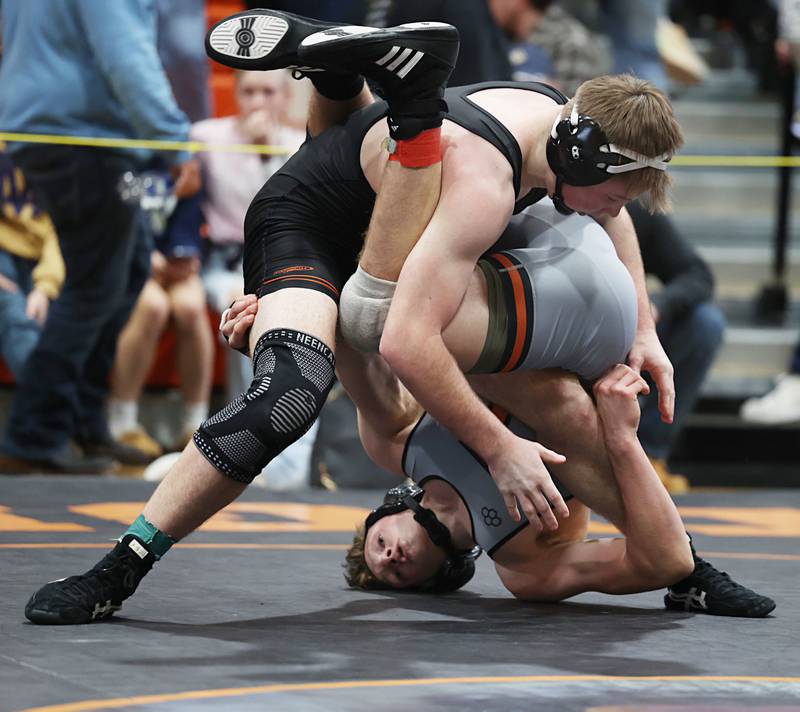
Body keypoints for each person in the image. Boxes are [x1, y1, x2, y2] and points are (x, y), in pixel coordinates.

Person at [24, 9, 681, 622]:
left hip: (360, 181)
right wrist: (498, 448)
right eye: (611, 193)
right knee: (292, 391)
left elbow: (610, 214)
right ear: (580, 157)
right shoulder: (490, 184)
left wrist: (645, 330)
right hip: (311, 227)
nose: (608, 209)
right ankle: (121, 566)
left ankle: (340, 77)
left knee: (406, 323)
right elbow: (398, 342)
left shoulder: (549, 113)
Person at [343, 362, 775, 617]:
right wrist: (623, 442)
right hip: (591, 370)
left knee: (413, 337)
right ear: (434, 583)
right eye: (395, 573)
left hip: (511, 320)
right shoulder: (523, 566)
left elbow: (368, 338)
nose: (391, 556)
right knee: (677, 560)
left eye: (379, 544)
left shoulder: (396, 442)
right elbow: (665, 561)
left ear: (387, 513)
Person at [0, 0, 199, 474]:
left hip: (56, 133)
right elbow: (125, 53)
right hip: (82, 139)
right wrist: (174, 140)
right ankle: (34, 434)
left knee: (127, 272)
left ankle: (86, 425)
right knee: (94, 288)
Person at [0, 148, 63, 379]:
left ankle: (47, 405)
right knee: (15, 315)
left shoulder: (54, 145)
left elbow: (63, 228)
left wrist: (46, 287)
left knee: (61, 321)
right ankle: (48, 404)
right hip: (3, 252)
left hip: (45, 257)